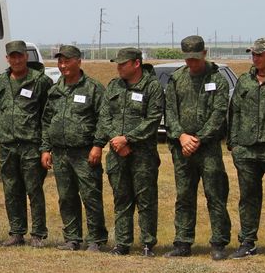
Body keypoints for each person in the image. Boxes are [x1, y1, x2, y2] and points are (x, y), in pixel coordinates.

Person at [164, 36, 231, 260]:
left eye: (195, 58)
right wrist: (182, 137)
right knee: (184, 195)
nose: (192, 63)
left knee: (215, 194)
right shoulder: (176, 79)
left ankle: (219, 242)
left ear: (204, 53)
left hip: (208, 148)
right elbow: (170, 112)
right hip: (182, 148)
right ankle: (183, 242)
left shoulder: (217, 80)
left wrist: (198, 139)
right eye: (188, 59)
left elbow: (218, 115)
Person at [41, 44, 108, 252]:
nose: (63, 65)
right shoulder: (55, 90)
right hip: (60, 153)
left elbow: (103, 119)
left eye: (67, 60)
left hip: (84, 152)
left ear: (79, 61)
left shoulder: (93, 88)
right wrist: (45, 148)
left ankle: (96, 239)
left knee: (90, 196)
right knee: (66, 197)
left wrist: (97, 146)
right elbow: (46, 120)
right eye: (60, 61)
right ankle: (72, 238)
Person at [99, 47, 164, 256]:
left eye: (122, 64)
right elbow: (104, 117)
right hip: (117, 153)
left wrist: (128, 139)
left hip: (143, 155)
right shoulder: (113, 86)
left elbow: (153, 120)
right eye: (117, 64)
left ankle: (147, 243)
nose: (118, 67)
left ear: (136, 63)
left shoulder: (152, 87)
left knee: (146, 199)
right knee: (122, 198)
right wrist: (117, 141)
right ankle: (122, 243)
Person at [227, 37, 265, 259]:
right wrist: (234, 144)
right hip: (246, 150)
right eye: (253, 54)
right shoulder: (245, 81)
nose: (255, 58)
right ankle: (248, 242)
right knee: (248, 197)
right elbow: (235, 113)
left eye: (259, 54)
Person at [0, 40, 53, 248]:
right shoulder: (0, 81)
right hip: (7, 144)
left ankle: (38, 233)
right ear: (7, 58)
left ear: (27, 57)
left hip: (31, 144)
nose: (17, 60)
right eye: (13, 56)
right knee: (11, 189)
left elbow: (48, 115)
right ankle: (16, 232)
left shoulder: (40, 81)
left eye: (20, 56)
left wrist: (46, 146)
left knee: (34, 190)